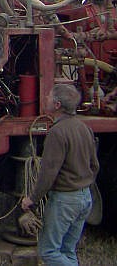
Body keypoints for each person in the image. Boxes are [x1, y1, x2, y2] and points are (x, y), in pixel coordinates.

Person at [21, 83, 99, 266]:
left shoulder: (57, 132)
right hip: (85, 197)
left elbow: (48, 173)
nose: (46, 98)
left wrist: (32, 199)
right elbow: (94, 165)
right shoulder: (84, 128)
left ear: (56, 105)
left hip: (66, 200)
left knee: (48, 252)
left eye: (48, 96)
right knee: (67, 250)